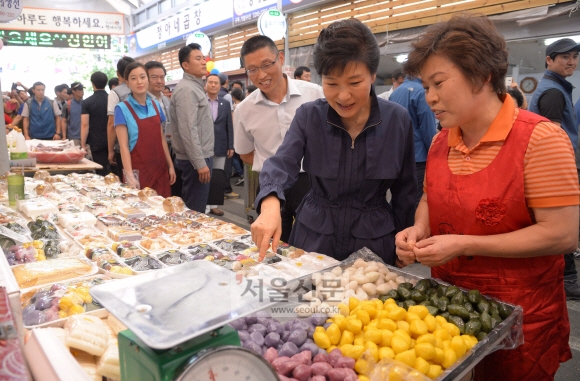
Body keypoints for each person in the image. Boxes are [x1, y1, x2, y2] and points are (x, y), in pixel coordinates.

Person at [395, 15, 577, 381]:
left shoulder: (540, 139)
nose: (430, 97)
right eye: (425, 85)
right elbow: (431, 199)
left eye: (439, 83)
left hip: (521, 314)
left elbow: (563, 234)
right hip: (448, 308)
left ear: (482, 75)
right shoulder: (439, 141)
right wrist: (417, 229)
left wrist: (462, 243)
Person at [250, 19, 416, 262]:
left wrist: (405, 240)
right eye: (331, 83)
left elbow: (406, 191)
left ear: (372, 74)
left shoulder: (397, 120)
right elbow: (282, 163)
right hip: (314, 238)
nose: (343, 95)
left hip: (373, 243)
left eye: (355, 82)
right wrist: (270, 202)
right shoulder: (309, 116)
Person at [234, 35, 325, 243]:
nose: (262, 74)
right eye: (253, 69)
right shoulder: (244, 110)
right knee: (275, 246)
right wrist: (271, 167)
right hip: (270, 186)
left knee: (314, 243)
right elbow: (245, 153)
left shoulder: (315, 94)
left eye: (267, 64)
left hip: (312, 181)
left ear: (281, 58)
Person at [528, 38, 580, 301]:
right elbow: (552, 138)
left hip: (553, 167)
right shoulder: (553, 93)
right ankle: (567, 279)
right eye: (564, 57)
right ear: (549, 60)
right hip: (553, 171)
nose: (571, 62)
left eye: (574, 57)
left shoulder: (555, 88)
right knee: (561, 225)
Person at [114, 62, 175, 196]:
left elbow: (161, 139)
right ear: (128, 83)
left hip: (160, 169)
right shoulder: (121, 108)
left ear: (147, 79)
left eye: (142, 77)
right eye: (133, 78)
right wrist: (130, 176)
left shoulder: (155, 104)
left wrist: (170, 165)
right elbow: (123, 147)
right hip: (138, 172)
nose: (139, 82)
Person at [170, 43, 215, 213]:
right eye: (198, 59)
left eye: (203, 58)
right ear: (185, 65)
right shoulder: (187, 90)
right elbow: (188, 130)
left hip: (199, 158)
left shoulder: (195, 87)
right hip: (195, 160)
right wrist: (199, 163)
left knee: (196, 209)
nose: (204, 62)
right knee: (194, 212)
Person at [390, 75, 437, 206]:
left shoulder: (396, 92)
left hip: (398, 156)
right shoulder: (421, 92)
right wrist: (435, 153)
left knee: (398, 198)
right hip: (418, 157)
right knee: (416, 200)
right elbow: (427, 129)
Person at [204, 74, 235, 216]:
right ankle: (203, 205)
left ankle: (213, 205)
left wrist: (231, 145)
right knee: (204, 176)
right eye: (210, 82)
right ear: (206, 85)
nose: (213, 85)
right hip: (204, 146)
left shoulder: (225, 103)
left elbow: (229, 125)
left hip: (221, 145)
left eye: (216, 83)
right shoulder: (200, 101)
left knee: (217, 177)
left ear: (219, 85)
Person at [108, 56, 136, 179]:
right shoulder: (144, 90)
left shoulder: (115, 93)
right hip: (143, 145)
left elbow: (111, 124)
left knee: (127, 181)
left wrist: (110, 150)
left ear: (118, 73)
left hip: (123, 146)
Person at [81, 71, 110, 176]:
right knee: (114, 172)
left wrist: (83, 144)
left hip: (95, 142)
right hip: (112, 141)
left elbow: (85, 125)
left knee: (100, 171)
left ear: (92, 83)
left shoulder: (87, 102)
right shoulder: (112, 100)